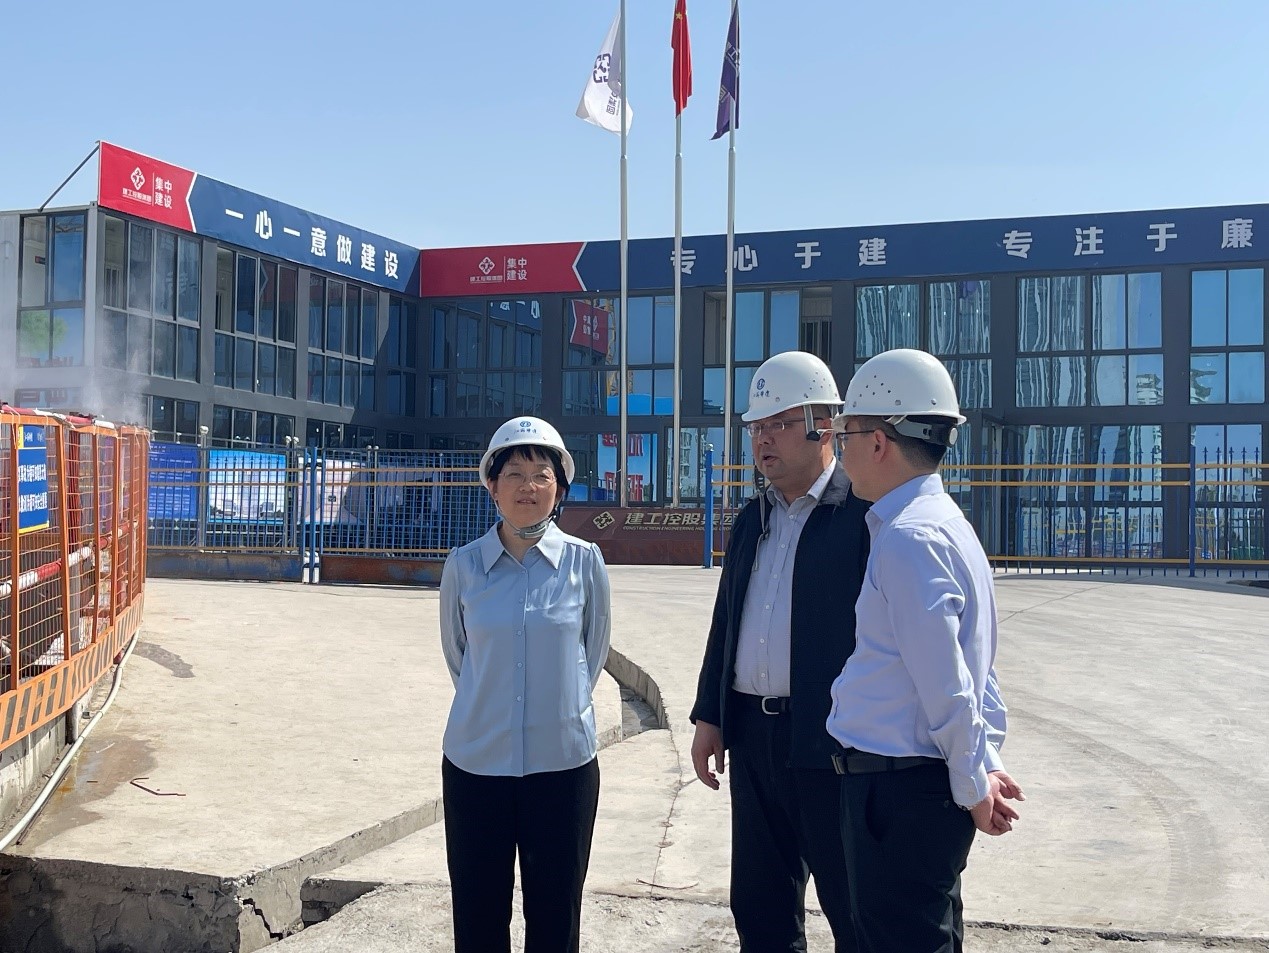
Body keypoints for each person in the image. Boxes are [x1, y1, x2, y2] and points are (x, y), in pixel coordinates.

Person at [827, 348, 1024, 953]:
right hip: (917, 790)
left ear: (878, 443)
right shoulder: (943, 524)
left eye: (845, 435)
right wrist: (982, 763)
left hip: (902, 796)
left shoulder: (909, 539)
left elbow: (949, 684)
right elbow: (975, 667)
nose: (839, 450)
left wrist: (973, 783)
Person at [689, 350, 871, 952]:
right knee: (761, 905)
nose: (763, 440)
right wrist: (711, 715)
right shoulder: (753, 518)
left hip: (833, 743)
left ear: (824, 425)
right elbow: (727, 621)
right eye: (756, 428)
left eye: (779, 424)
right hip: (753, 738)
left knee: (851, 905)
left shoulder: (862, 516)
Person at [438, 415, 612, 953]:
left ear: (559, 489)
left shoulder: (584, 563)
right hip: (476, 767)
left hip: (562, 768)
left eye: (542, 474)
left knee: (556, 920)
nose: (528, 486)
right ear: (492, 485)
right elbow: (459, 657)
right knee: (478, 918)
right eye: (513, 473)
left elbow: (592, 654)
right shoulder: (464, 566)